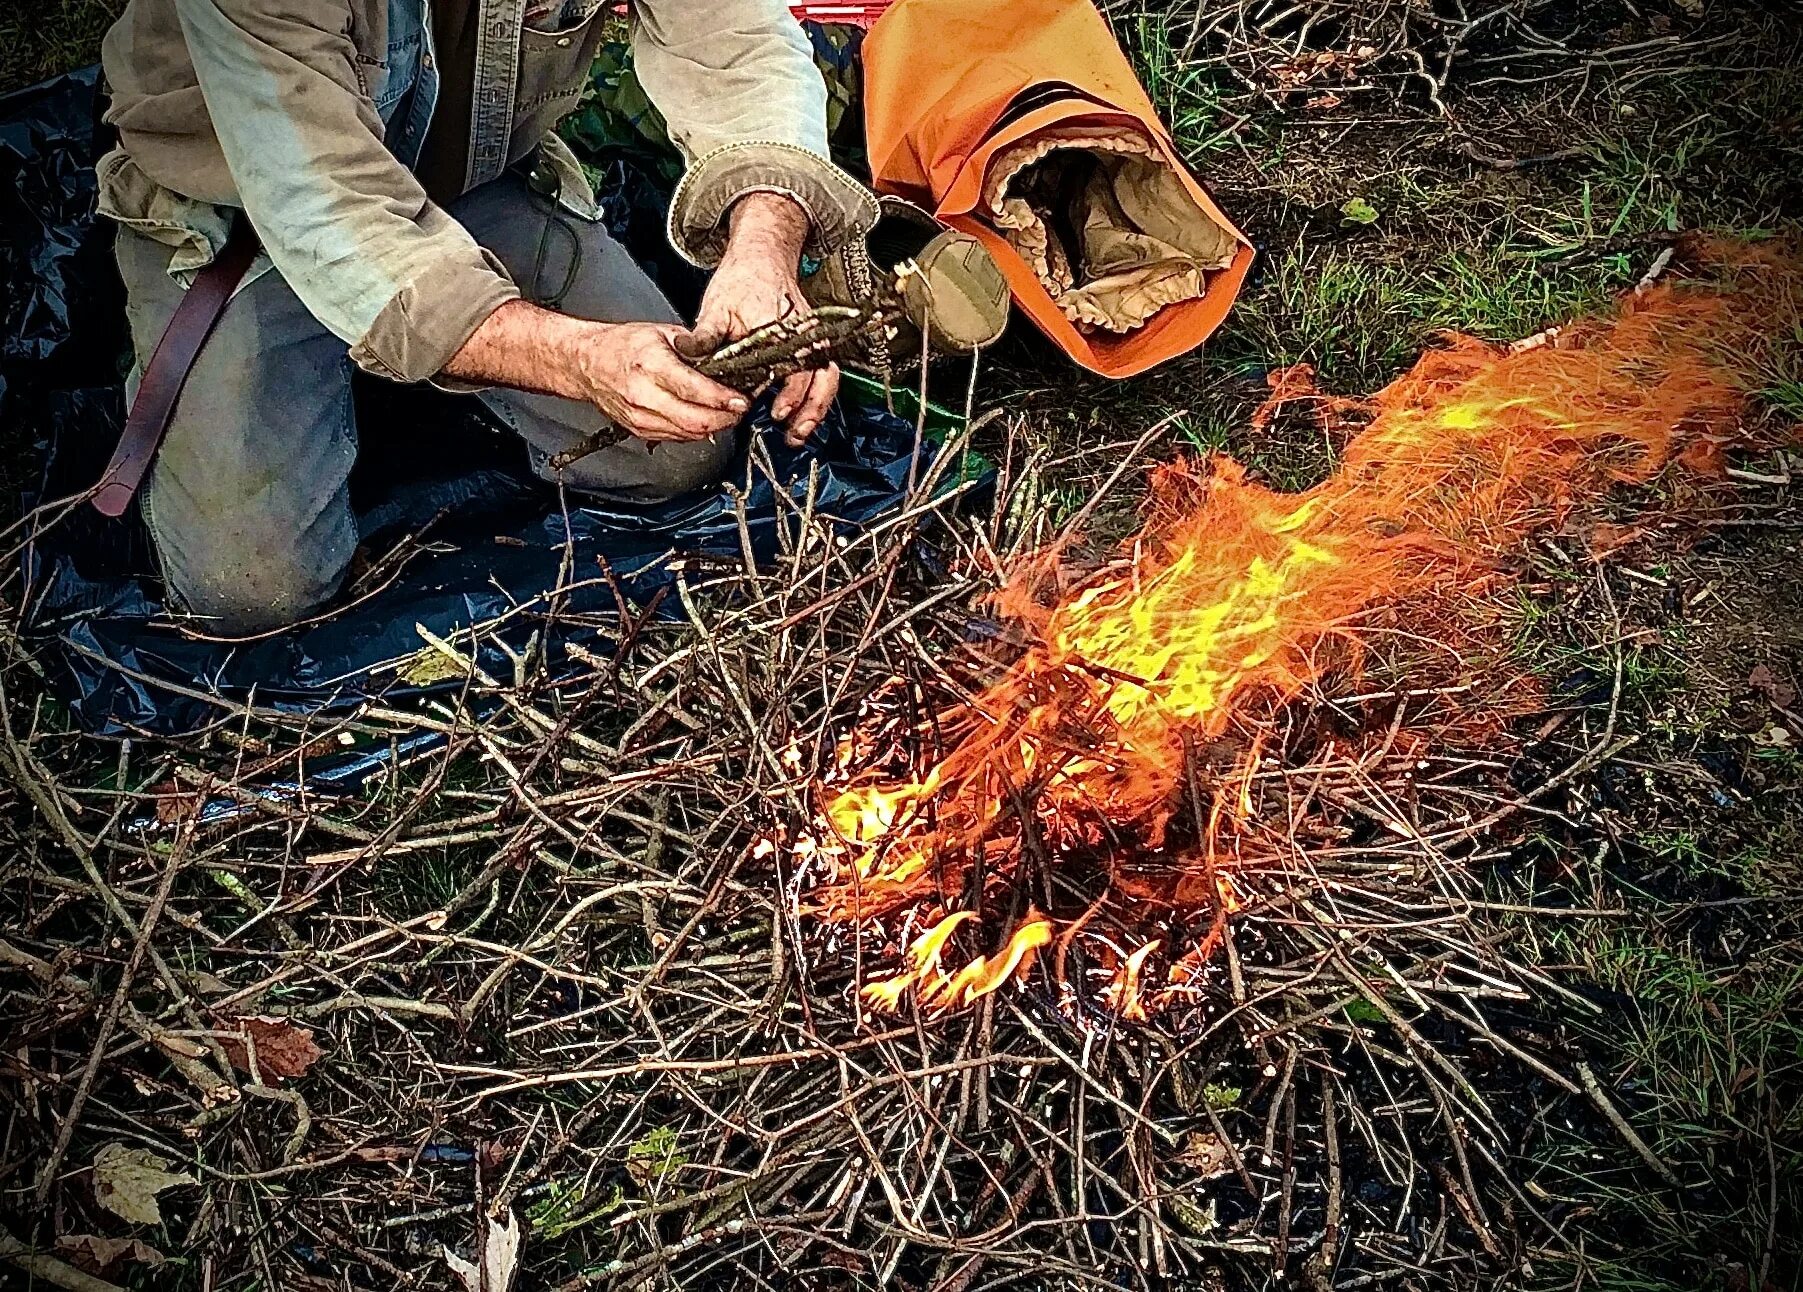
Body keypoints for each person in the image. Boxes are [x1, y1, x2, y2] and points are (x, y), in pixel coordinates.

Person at [96, 0, 878, 632]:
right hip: (249, 218)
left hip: (466, 181)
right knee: (252, 598)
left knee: (675, 450)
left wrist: (763, 243)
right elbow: (326, 214)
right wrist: (579, 360)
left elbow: (734, 41)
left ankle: (454, 357)